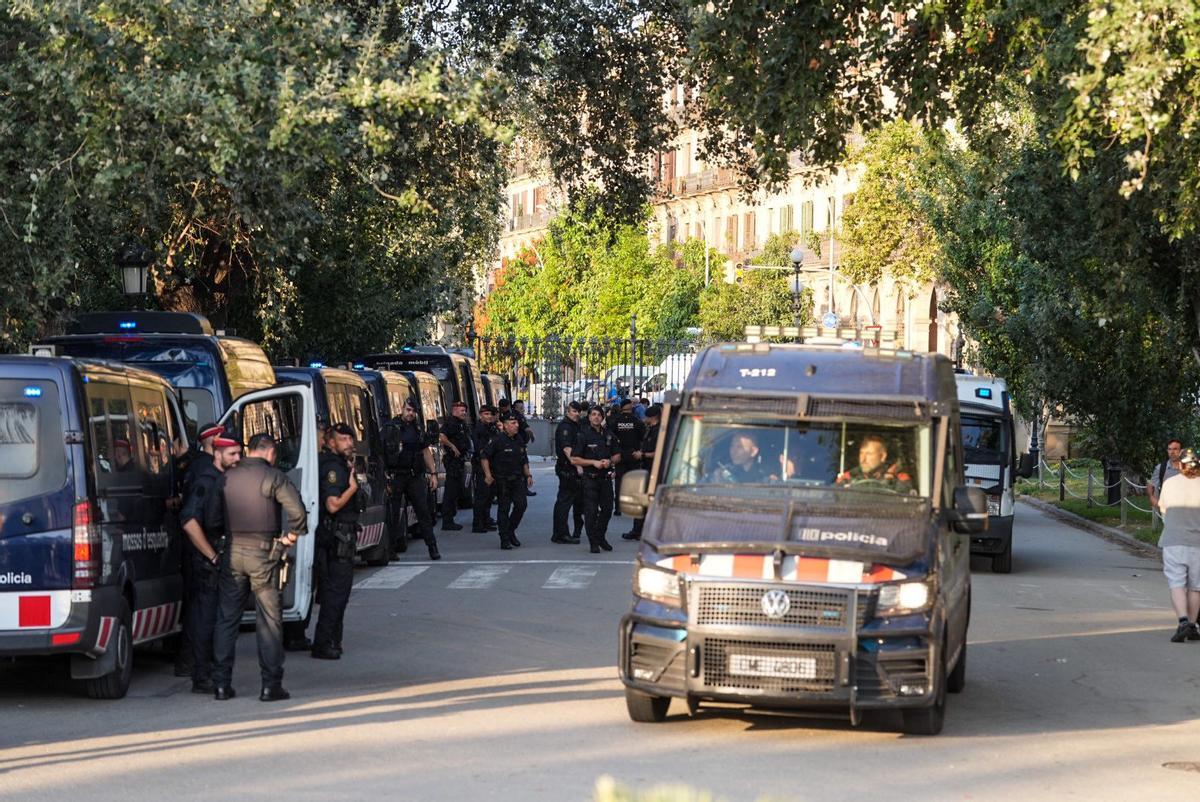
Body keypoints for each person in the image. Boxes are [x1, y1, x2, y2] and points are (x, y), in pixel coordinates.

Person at [205, 434, 308, 702]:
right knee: (269, 621)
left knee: (227, 618)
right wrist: (290, 538)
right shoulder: (273, 476)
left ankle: (220, 685)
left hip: (232, 553)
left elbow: (212, 519)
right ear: (270, 453)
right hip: (264, 555)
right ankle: (270, 685)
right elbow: (297, 512)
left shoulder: (225, 477)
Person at [179, 434, 242, 693]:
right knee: (206, 619)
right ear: (217, 455)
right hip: (209, 564)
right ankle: (202, 675)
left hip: (221, 558)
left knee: (218, 619)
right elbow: (189, 521)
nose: (237, 459)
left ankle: (211, 673)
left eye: (240, 454)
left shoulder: (223, 480)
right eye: (232, 455)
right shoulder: (207, 481)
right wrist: (212, 555)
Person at [174, 421, 226, 678]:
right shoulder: (207, 471)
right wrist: (213, 554)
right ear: (214, 442)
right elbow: (191, 517)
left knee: (196, 607)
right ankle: (196, 665)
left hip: (195, 549)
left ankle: (188, 662)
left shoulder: (195, 465)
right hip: (203, 549)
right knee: (202, 610)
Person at [310, 423, 361, 660]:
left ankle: (332, 640)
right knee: (335, 593)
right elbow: (332, 504)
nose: (349, 443)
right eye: (343, 439)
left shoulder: (338, 464)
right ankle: (324, 642)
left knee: (338, 592)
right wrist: (352, 488)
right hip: (336, 538)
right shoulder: (332, 467)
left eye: (351, 439)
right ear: (331, 442)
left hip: (340, 537)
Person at [382, 400, 440, 560]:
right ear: (402, 409)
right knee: (393, 514)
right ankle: (391, 550)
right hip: (396, 476)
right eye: (408, 410)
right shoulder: (390, 428)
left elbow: (426, 451)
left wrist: (433, 473)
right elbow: (382, 454)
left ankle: (432, 547)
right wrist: (386, 477)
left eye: (413, 411)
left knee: (423, 512)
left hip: (415, 476)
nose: (410, 413)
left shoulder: (418, 428)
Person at [1157, 448, 1200, 642]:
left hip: (1173, 540)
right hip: (1198, 542)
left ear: (1180, 465)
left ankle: (1182, 621)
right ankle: (1192, 625)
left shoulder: (1170, 483)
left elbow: (1163, 507)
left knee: (1177, 583)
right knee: (1195, 587)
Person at [572, 406, 621, 553]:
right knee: (591, 512)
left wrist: (610, 462)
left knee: (607, 509)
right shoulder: (583, 435)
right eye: (593, 415)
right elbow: (575, 459)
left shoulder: (609, 434)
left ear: (603, 417)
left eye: (599, 415)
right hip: (590, 479)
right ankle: (593, 541)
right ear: (589, 417)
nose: (596, 417)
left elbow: (617, 455)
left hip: (605, 479)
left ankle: (600, 536)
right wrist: (593, 463)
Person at [481, 413, 533, 549]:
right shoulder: (497, 440)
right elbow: (484, 457)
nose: (516, 425)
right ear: (504, 425)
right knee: (504, 509)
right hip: (502, 480)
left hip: (517, 480)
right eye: (512, 423)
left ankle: (511, 530)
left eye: (516, 423)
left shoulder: (519, 439)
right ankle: (504, 538)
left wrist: (528, 475)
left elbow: (524, 459)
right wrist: (488, 475)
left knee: (521, 505)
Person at [623, 404, 661, 541]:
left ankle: (644, 531)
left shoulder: (659, 432)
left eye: (647, 416)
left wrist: (643, 454)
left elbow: (659, 452)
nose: (644, 418)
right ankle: (637, 530)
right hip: (645, 468)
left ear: (653, 417)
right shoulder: (650, 429)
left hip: (652, 470)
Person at [552, 401, 586, 544]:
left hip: (571, 468)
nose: (577, 414)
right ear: (567, 411)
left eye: (578, 411)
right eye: (574, 411)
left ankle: (565, 533)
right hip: (568, 468)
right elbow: (567, 449)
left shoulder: (575, 425)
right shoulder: (566, 427)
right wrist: (577, 464)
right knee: (564, 502)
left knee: (573, 501)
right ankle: (561, 534)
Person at [835, 434, 914, 494]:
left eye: (869, 454)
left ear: (882, 456)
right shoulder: (847, 479)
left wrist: (890, 482)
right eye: (861, 453)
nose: (862, 459)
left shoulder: (899, 479)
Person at [439, 401, 472, 531]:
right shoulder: (450, 422)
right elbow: (441, 436)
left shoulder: (461, 423)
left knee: (457, 489)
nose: (464, 413)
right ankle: (447, 521)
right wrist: (452, 446)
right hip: (452, 461)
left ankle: (450, 518)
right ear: (454, 411)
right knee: (451, 491)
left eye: (465, 411)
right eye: (461, 410)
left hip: (459, 461)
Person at [610, 398, 645, 517]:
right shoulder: (637, 421)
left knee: (619, 480)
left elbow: (610, 437)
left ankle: (618, 507)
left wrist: (614, 453)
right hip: (633, 454)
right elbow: (642, 438)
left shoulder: (615, 421)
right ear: (630, 407)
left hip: (620, 454)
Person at [471, 404, 500, 533]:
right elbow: (481, 450)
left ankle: (486, 519)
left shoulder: (491, 428)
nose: (489, 417)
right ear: (481, 415)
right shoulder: (479, 430)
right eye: (486, 414)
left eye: (490, 414)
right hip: (482, 465)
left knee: (489, 495)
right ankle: (478, 523)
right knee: (482, 496)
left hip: (493, 464)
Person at [705, 431, 770, 483]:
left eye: (739, 447)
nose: (733, 451)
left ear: (753, 451)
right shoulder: (723, 473)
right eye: (732, 446)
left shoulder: (764, 477)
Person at [1148, 438, 1184, 514]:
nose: (1172, 452)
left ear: (1181, 451)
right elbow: (1151, 484)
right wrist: (1152, 498)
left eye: (1175, 449)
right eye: (1170, 449)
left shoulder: (1189, 468)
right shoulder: (1161, 468)